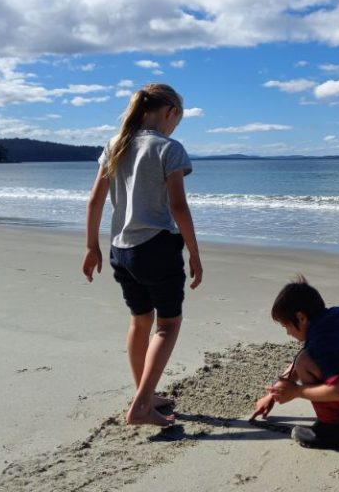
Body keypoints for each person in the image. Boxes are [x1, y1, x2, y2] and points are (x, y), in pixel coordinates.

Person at [82, 83, 203, 427]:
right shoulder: (169, 148)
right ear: (170, 112)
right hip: (157, 247)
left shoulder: (114, 145)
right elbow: (178, 206)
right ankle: (141, 406)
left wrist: (91, 247)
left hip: (121, 250)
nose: (174, 128)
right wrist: (194, 253)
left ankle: (143, 393)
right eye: (176, 121)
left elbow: (95, 201)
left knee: (139, 321)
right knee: (167, 324)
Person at [251, 276, 339, 450]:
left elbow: (337, 390)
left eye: (286, 326)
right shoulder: (329, 323)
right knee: (304, 358)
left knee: (305, 361)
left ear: (301, 317)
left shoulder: (322, 341)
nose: (288, 333)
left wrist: (295, 391)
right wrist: (272, 395)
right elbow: (299, 359)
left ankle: (331, 432)